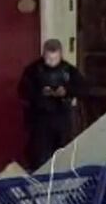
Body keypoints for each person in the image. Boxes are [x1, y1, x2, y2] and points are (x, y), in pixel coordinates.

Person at [18, 39, 86, 171]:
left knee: (62, 155)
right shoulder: (32, 70)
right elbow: (23, 91)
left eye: (55, 58)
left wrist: (66, 91)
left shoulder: (69, 70)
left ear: (61, 54)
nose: (52, 62)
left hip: (62, 118)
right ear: (43, 54)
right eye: (49, 58)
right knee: (40, 156)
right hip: (40, 119)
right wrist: (40, 93)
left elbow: (83, 88)